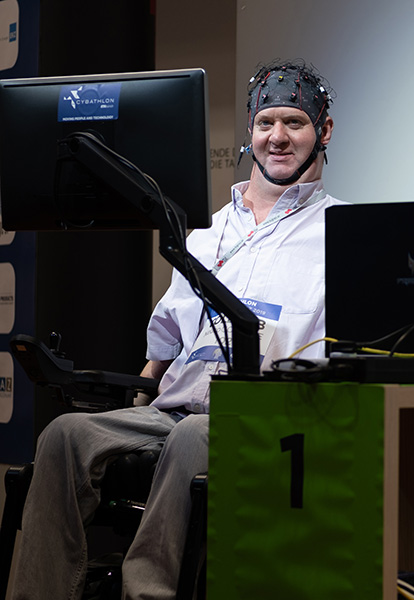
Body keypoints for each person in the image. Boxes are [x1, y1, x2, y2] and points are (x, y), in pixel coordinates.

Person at [11, 59, 345, 599]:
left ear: (323, 131)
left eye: (294, 123)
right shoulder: (203, 231)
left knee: (193, 437)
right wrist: (135, 404)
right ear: (249, 131)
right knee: (65, 435)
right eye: (265, 124)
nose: (277, 138)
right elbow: (164, 347)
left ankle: (147, 594)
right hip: (174, 410)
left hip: (263, 419)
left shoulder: (343, 232)